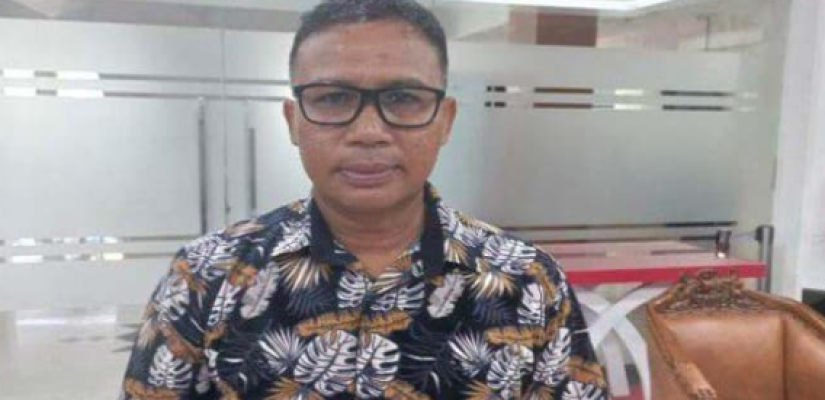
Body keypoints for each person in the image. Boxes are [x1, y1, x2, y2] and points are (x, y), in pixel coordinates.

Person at [120, 0, 608, 399]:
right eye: (333, 98)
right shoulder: (206, 276)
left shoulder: (527, 282)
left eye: (403, 99)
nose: (369, 131)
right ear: (293, 120)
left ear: (445, 120)